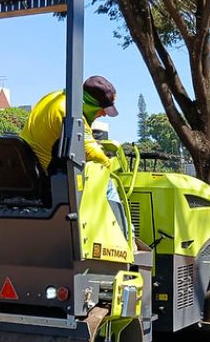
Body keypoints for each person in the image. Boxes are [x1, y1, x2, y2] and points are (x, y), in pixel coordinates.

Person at [20, 76, 129, 238]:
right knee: (108, 180)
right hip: (49, 177)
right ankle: (125, 238)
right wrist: (111, 163)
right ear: (92, 105)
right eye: (103, 110)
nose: (103, 115)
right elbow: (96, 157)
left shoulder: (52, 98)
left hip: (26, 171)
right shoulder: (71, 113)